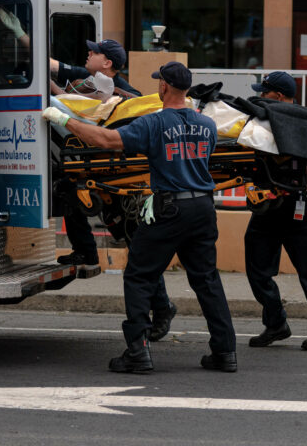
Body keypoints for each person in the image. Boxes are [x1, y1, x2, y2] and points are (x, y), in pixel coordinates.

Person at [42, 61, 237, 373]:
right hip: (203, 208)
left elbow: (105, 140)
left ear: (163, 87)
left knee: (138, 276)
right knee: (207, 279)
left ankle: (138, 352)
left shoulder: (154, 124)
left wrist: (66, 120)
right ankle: (225, 352)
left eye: (159, 82)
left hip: (169, 209)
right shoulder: (208, 125)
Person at [49, 39, 177, 342]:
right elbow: (60, 75)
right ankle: (86, 252)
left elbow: (77, 108)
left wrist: (50, 93)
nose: (88, 54)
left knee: (139, 254)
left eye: (94, 53)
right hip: (102, 179)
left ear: (107, 63)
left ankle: (159, 311)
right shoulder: (93, 80)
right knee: (67, 187)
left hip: (124, 187)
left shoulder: (123, 95)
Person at [244, 71, 307, 351]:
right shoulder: (259, 122)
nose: (261, 96)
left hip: (299, 209)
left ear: (280, 97)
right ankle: (275, 324)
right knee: (257, 269)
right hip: (266, 208)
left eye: (266, 92)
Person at [50, 39, 139, 96]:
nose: (89, 53)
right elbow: (54, 66)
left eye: (96, 52)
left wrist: (111, 91)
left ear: (107, 63)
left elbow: (139, 100)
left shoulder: (123, 88)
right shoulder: (86, 74)